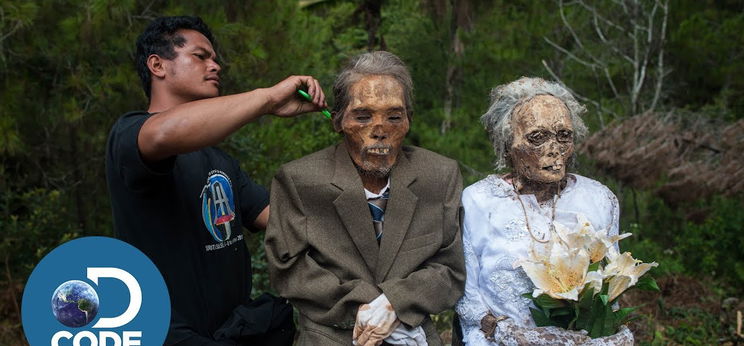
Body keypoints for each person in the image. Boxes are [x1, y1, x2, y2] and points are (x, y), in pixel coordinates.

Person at [105, 16, 326, 345]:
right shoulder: (129, 136)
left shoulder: (218, 160)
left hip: (232, 331)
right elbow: (165, 132)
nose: (215, 65)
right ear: (157, 65)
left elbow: (282, 219)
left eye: (215, 58)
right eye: (201, 56)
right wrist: (267, 99)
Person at [264, 51, 466, 346]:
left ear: (409, 120)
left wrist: (395, 303)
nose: (379, 131)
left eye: (394, 117)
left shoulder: (439, 175)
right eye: (363, 116)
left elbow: (451, 267)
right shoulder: (299, 179)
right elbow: (287, 267)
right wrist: (369, 307)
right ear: (338, 121)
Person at [455, 77, 633, 345]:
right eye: (537, 137)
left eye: (564, 136)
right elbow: (465, 294)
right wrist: (506, 332)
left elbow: (612, 286)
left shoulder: (599, 198)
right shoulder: (478, 201)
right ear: (507, 145)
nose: (554, 150)